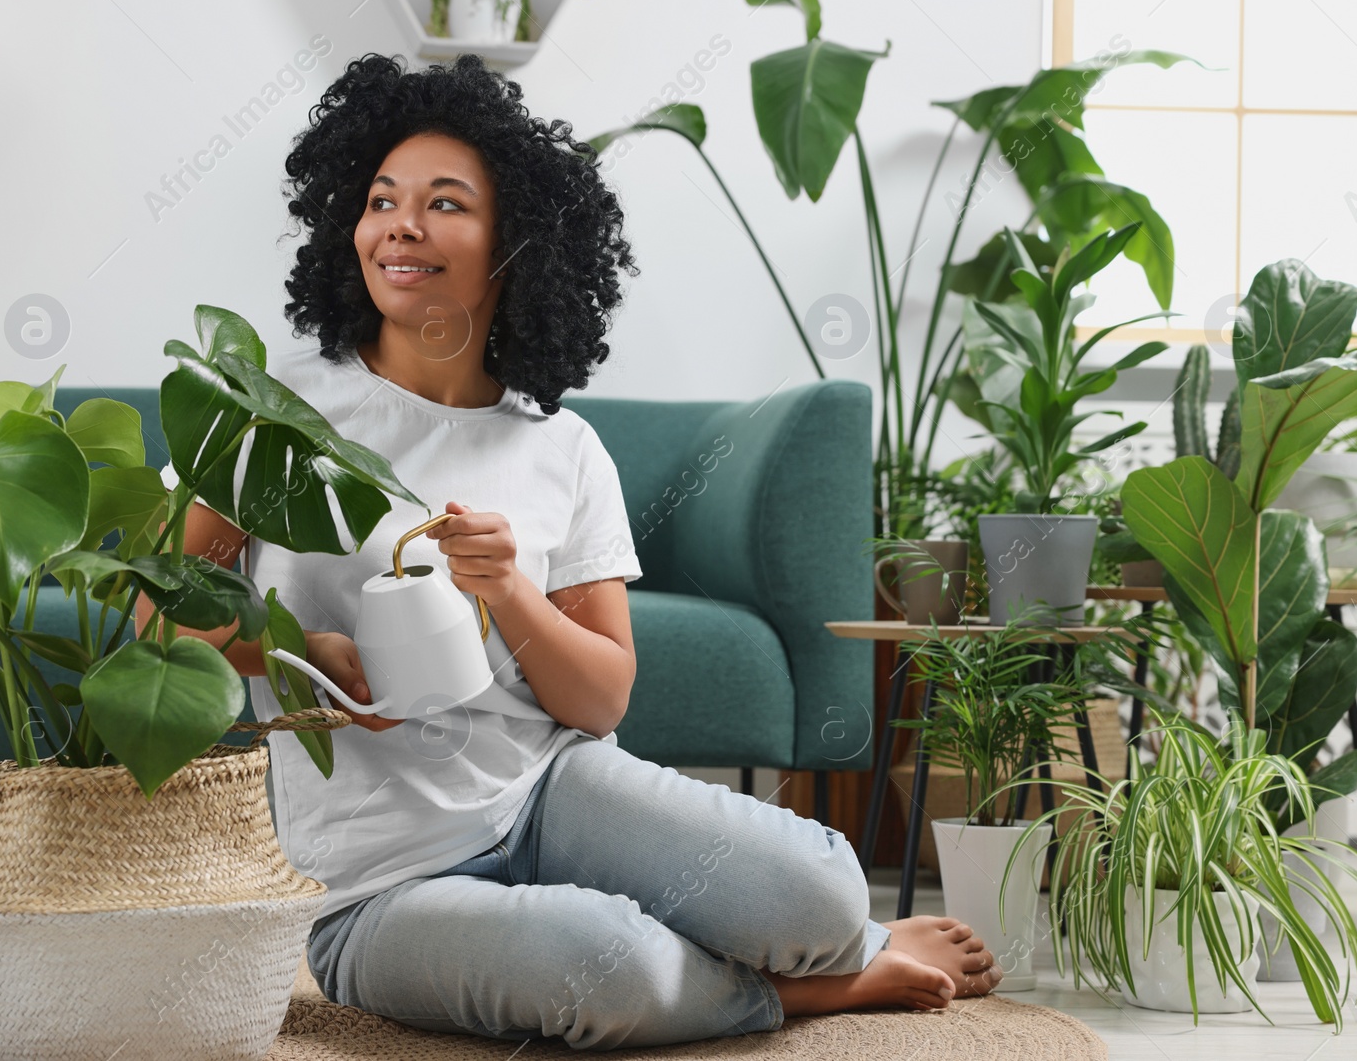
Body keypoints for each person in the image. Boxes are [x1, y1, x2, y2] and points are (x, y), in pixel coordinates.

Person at [139, 51, 1000, 1052]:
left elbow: (599, 701)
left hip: (556, 795)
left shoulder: (560, 445)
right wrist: (299, 652)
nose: (400, 225)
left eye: (444, 203)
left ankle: (824, 941)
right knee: (606, 966)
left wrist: (509, 589)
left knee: (819, 887)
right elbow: (155, 613)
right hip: (377, 884)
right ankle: (802, 991)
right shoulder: (266, 411)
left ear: (516, 243)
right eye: (380, 200)